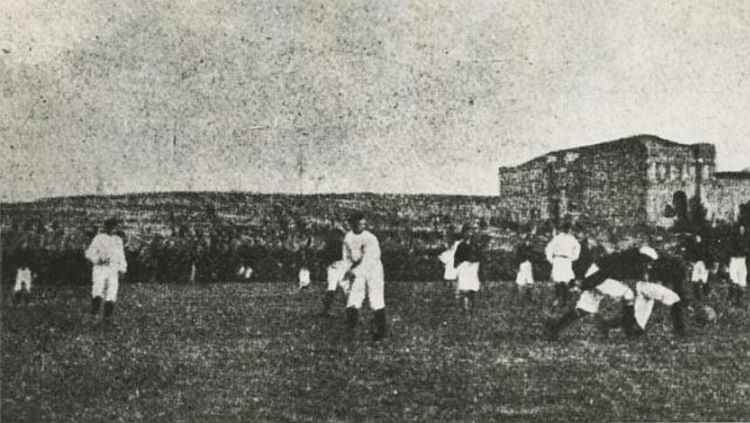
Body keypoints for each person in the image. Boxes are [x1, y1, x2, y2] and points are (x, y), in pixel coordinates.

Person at [544, 245, 659, 341]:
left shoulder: (631, 261)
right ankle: (629, 331)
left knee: (585, 308)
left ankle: (555, 327)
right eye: (648, 261)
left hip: (597, 275)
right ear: (642, 258)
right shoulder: (622, 261)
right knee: (628, 294)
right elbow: (603, 274)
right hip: (597, 276)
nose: (649, 265)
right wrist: (585, 284)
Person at [342, 213, 387, 341]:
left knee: (376, 298)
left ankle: (381, 332)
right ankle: (351, 331)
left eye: (362, 223)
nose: (360, 226)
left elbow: (370, 260)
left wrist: (355, 272)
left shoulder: (370, 238)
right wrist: (348, 270)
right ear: (352, 224)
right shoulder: (348, 238)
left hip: (374, 270)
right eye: (357, 223)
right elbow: (346, 256)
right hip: (357, 269)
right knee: (353, 299)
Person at [84, 217, 127, 324]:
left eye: (114, 226)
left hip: (113, 269)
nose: (112, 229)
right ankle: (94, 316)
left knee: (111, 293)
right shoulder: (99, 238)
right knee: (98, 291)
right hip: (100, 268)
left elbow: (121, 256)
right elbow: (89, 253)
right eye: (110, 226)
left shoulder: (118, 240)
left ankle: (107, 318)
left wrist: (122, 269)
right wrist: (98, 259)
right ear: (106, 227)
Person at [545, 222, 581, 306]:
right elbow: (578, 248)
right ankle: (561, 299)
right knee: (561, 280)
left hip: (561, 260)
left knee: (562, 280)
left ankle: (561, 299)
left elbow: (548, 249)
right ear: (569, 230)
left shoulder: (560, 238)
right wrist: (574, 257)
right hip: (563, 260)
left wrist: (550, 259)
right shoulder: (567, 238)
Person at [321, 224, 349, 316]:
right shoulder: (341, 244)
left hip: (337, 266)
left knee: (333, 288)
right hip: (339, 266)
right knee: (343, 288)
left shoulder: (333, 243)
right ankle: (352, 310)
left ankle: (326, 310)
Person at [454, 222, 481, 313]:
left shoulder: (476, 245)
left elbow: (479, 256)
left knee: (473, 288)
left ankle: (472, 307)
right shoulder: (461, 245)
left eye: (471, 231)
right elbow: (457, 257)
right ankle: (465, 308)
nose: (470, 233)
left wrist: (477, 264)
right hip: (464, 267)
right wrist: (458, 266)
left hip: (473, 267)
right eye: (468, 231)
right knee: (464, 288)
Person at [684, 233, 712, 301]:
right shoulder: (693, 245)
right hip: (696, 263)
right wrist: (691, 262)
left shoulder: (705, 246)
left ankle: (706, 293)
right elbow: (690, 254)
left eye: (699, 237)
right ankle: (697, 296)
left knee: (704, 279)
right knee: (695, 280)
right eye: (696, 237)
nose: (697, 238)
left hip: (703, 264)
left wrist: (708, 265)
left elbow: (708, 255)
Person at [726, 224, 748, 307]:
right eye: (740, 229)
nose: (742, 231)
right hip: (734, 260)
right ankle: (730, 298)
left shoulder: (746, 240)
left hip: (742, 260)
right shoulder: (733, 240)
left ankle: (738, 300)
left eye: (743, 229)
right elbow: (729, 250)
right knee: (734, 279)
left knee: (742, 280)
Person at [513, 233, 535, 302]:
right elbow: (517, 256)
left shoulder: (530, 247)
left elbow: (532, 256)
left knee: (529, 281)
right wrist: (517, 266)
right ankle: (519, 298)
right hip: (522, 264)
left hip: (528, 264)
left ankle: (529, 298)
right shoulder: (520, 247)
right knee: (520, 281)